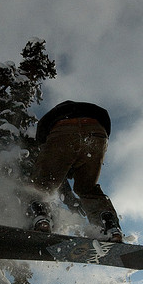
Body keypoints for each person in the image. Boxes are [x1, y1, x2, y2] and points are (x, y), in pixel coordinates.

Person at [27, 100, 123, 242]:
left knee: (42, 184)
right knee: (87, 189)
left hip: (62, 129)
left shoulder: (54, 119)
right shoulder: (90, 112)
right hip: (97, 132)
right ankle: (109, 227)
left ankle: (41, 218)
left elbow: (48, 154)